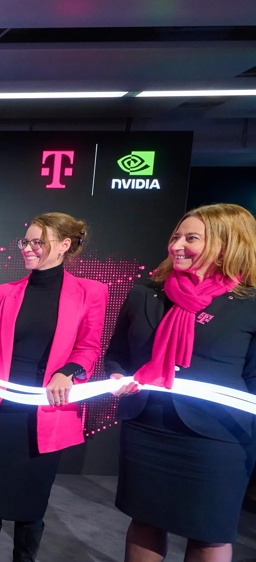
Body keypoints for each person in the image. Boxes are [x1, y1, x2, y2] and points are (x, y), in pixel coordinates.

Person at [0, 212, 107, 562]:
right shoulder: (4, 293)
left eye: (39, 242)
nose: (29, 248)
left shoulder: (91, 292)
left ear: (65, 246)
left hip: (45, 414)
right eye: (26, 241)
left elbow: (89, 347)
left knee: (31, 509)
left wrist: (67, 373)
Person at [105, 203, 256, 562]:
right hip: (148, 427)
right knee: (146, 521)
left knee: (209, 534)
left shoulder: (249, 304)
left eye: (191, 238)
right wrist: (116, 375)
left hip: (218, 438)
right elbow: (117, 354)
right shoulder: (146, 292)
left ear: (227, 244)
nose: (177, 246)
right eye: (176, 236)